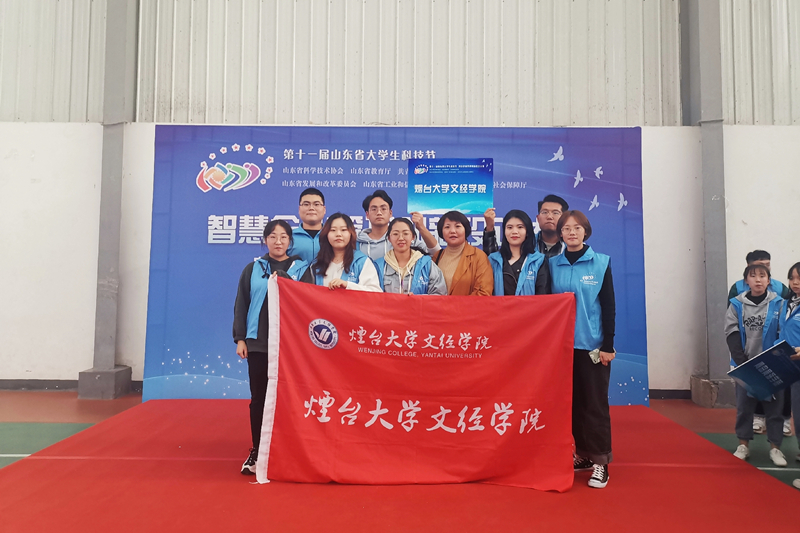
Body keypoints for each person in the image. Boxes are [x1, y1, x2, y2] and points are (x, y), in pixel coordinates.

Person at [233, 220, 313, 475]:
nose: (278, 242)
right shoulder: (253, 268)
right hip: (258, 343)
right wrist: (241, 338)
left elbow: (309, 301)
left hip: (291, 344)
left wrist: (286, 280)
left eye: (283, 237)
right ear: (265, 240)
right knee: (259, 399)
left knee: (290, 398)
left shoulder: (302, 269)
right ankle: (258, 449)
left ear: (290, 240)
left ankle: (289, 450)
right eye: (272, 237)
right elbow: (242, 303)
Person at [549, 210, 615, 489]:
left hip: (592, 346)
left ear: (585, 232)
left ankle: (601, 463)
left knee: (595, 405)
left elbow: (608, 306)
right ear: (560, 234)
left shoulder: (601, 263)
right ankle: (584, 455)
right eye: (566, 228)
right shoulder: (552, 264)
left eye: (577, 228)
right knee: (572, 405)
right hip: (562, 347)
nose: (572, 233)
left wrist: (608, 345)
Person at [725, 263, 786, 466]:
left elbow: (783, 333)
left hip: (772, 366)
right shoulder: (736, 304)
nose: (758, 279)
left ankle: (776, 448)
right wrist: (744, 364)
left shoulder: (779, 304)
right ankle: (743, 445)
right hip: (745, 366)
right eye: (753, 275)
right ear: (746, 281)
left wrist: (773, 361)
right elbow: (731, 332)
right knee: (744, 408)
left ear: (769, 281)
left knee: (775, 410)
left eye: (762, 275)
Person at [356, 189, 440, 260]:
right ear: (367, 214)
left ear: (390, 213)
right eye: (374, 209)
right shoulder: (357, 242)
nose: (379, 212)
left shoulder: (401, 239)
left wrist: (421, 228)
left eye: (383, 208)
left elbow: (436, 254)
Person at [374, 218, 447, 295]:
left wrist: (418, 299)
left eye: (405, 234)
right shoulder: (379, 266)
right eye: (395, 234)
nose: (401, 238)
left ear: (413, 237)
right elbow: (372, 296)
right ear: (389, 238)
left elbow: (440, 294)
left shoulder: (427, 265)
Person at [487, 209, 550, 296]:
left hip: (530, 305)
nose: (514, 232)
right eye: (509, 227)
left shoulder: (538, 261)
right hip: (498, 305)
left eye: (520, 227)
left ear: (527, 231)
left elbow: (543, 296)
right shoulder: (493, 260)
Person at [483, 194, 569, 257]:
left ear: (564, 219)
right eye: (544, 212)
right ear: (538, 218)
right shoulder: (524, 242)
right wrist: (490, 229)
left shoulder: (570, 245)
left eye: (555, 213)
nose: (549, 217)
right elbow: (494, 261)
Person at [314, 213, 382, 292]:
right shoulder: (317, 264)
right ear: (326, 234)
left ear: (351, 233)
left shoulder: (361, 262)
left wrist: (348, 285)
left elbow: (375, 292)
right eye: (333, 230)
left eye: (343, 230)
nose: (338, 234)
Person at [432, 210, 493, 296]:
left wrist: (456, 304)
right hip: (438, 305)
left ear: (465, 229)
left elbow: (483, 293)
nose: (452, 231)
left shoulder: (478, 256)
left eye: (457, 226)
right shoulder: (437, 256)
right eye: (447, 227)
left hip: (467, 305)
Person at [778, 262, 800, 489]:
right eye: (792, 278)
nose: (795, 283)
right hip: (793, 368)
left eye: (799, 278)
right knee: (798, 417)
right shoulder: (787, 304)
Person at [287, 188, 326, 264]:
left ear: (324, 209)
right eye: (306, 204)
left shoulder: (332, 235)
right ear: (299, 209)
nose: (311, 208)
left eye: (316, 204)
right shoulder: (288, 237)